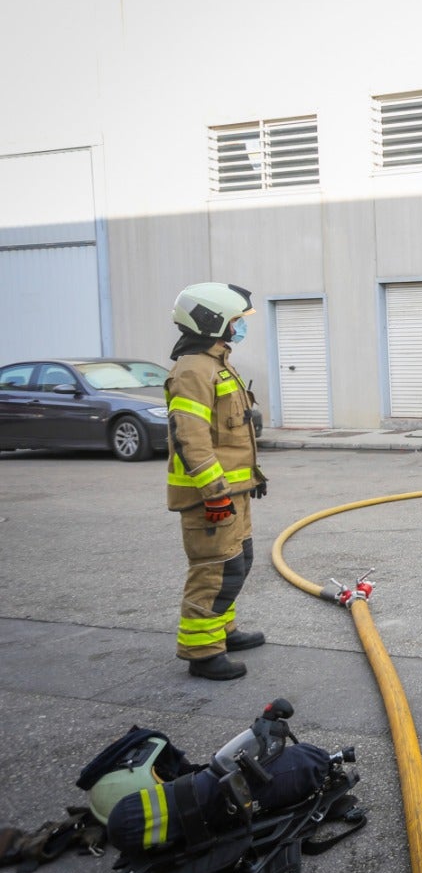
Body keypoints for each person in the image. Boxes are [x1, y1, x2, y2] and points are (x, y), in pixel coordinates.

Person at [165, 282, 267, 680]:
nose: (240, 328)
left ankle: (222, 631)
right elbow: (190, 437)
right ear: (214, 320)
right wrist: (214, 493)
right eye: (237, 320)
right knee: (215, 570)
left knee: (237, 563)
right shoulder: (193, 369)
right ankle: (202, 652)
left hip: (233, 491)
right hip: (211, 495)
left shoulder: (216, 362)